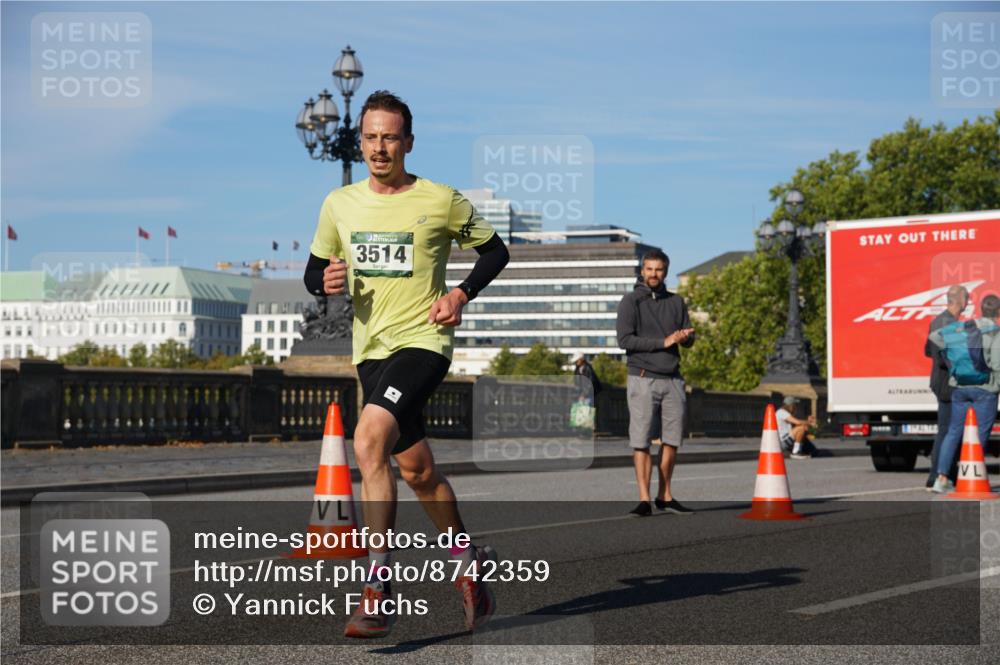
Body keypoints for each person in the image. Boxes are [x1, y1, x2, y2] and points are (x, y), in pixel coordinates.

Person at [303, 90, 510, 638]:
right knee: (418, 472)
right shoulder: (338, 204)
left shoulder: (439, 200)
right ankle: (470, 565)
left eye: (389, 137)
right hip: (369, 352)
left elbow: (496, 251)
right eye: (370, 137)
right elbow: (314, 270)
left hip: (423, 342)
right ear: (360, 141)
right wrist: (322, 281)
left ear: (408, 143)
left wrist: (461, 294)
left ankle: (377, 586)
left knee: (368, 440)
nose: (378, 147)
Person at [616, 249, 695, 517]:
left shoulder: (676, 302)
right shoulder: (630, 301)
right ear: (642, 270)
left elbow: (689, 337)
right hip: (642, 379)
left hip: (673, 379)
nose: (653, 274)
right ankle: (643, 499)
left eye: (658, 269)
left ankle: (665, 495)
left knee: (672, 441)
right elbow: (625, 341)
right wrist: (664, 342)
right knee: (642, 441)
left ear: (665, 272)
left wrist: (685, 337)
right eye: (649, 269)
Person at [927, 294, 1000, 494]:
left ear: (980, 309)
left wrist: (950, 360)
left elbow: (935, 337)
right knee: (980, 434)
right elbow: (996, 365)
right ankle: (971, 475)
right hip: (985, 390)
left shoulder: (966, 327)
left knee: (953, 432)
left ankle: (941, 478)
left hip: (959, 388)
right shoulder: (995, 332)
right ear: (998, 312)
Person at [923, 285, 968, 490]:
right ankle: (939, 476)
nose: (967, 302)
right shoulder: (950, 324)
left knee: (946, 430)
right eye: (966, 298)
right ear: (960, 301)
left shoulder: (937, 321)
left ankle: (940, 475)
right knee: (949, 431)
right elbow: (946, 357)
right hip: (949, 384)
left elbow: (927, 351)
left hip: (939, 381)